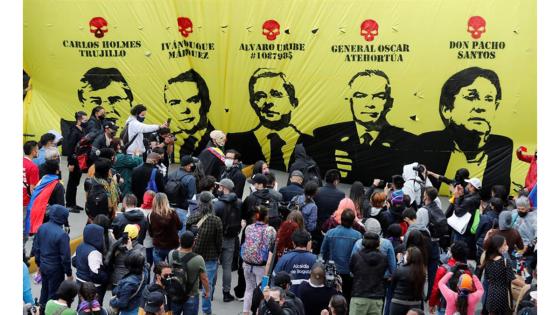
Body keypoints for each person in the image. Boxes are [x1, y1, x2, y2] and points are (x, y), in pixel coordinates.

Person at [413, 67, 513, 200]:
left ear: (496, 107)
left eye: (488, 99)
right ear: (447, 109)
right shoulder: (427, 143)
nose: (481, 107)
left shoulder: (503, 146)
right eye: (472, 96)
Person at [310, 69, 415, 184]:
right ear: (349, 100)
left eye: (379, 96)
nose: (369, 104)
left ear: (389, 103)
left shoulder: (408, 142)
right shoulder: (325, 135)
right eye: (360, 96)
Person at [226, 68, 313, 171]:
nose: (268, 103)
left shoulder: (311, 143)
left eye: (276, 94)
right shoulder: (235, 141)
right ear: (252, 103)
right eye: (260, 96)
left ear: (293, 102)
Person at [185, 191, 223, 314]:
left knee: (192, 285)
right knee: (208, 285)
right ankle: (206, 311)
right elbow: (219, 241)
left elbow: (187, 237)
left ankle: (192, 309)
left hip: (194, 256)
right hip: (210, 257)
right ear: (212, 204)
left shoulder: (192, 218)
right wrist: (218, 254)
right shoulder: (216, 220)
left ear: (199, 203)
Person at [164, 68, 215, 158]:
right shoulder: (167, 135)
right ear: (167, 107)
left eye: (193, 100)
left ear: (205, 103)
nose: (185, 109)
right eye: (175, 103)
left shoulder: (215, 137)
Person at [32, 204, 73, 311]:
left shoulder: (42, 227)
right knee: (53, 295)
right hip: (56, 270)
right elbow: (65, 258)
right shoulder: (62, 234)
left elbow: (36, 248)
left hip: (44, 266)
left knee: (44, 291)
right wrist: (68, 274)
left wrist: (39, 265)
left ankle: (40, 310)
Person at [320, 209, 362, 303]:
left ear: (341, 219)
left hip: (331, 270)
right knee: (346, 299)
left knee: (330, 298)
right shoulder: (358, 235)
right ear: (353, 221)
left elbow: (322, 252)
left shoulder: (330, 233)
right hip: (349, 272)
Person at [241, 206, 277, 315]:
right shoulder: (270, 230)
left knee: (249, 290)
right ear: (266, 216)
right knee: (260, 293)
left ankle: (245, 313)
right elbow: (272, 246)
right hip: (261, 265)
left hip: (247, 263)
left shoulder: (249, 228)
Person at [212, 178, 243, 302]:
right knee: (227, 267)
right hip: (231, 238)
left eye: (220, 187)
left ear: (224, 188)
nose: (218, 189)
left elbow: (212, 222)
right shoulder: (239, 203)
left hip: (217, 239)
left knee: (213, 265)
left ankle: (211, 292)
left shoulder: (217, 204)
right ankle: (226, 293)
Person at [167, 231, 211, 315]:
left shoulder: (171, 254)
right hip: (191, 295)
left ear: (180, 240)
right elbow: (204, 278)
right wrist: (207, 291)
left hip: (175, 293)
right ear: (193, 243)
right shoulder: (198, 259)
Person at [480, 235, 525, 315]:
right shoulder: (505, 262)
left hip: (491, 294)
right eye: (504, 244)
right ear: (498, 247)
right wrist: (525, 285)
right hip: (503, 294)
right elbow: (513, 279)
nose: (506, 246)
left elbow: (487, 278)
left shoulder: (487, 261)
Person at [348, 232, 388, 315]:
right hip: (377, 298)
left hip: (359, 295)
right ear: (378, 243)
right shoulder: (384, 258)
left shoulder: (356, 256)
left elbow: (352, 270)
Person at [429, 240, 470, 315]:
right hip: (463, 307)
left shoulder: (443, 269)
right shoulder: (468, 271)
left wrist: (432, 303)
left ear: (452, 253)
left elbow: (436, 289)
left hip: (445, 305)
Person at [73, 224, 110, 304]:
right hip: (92, 287)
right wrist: (106, 277)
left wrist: (83, 267)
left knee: (82, 305)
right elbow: (95, 274)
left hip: (79, 282)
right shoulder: (94, 252)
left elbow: (74, 261)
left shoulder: (80, 246)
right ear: (95, 237)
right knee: (94, 308)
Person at [27, 160, 65, 235]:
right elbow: (61, 206)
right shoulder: (58, 186)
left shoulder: (41, 181)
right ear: (57, 171)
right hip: (52, 219)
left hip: (40, 218)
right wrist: (66, 223)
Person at [272, 229, 316, 295]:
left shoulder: (285, 258)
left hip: (288, 298)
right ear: (307, 243)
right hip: (309, 298)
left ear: (293, 243)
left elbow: (275, 278)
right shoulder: (315, 259)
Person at [106, 224, 146, 290]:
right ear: (137, 235)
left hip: (116, 279)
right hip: (131, 281)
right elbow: (143, 265)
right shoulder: (141, 249)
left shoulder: (116, 245)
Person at [449, 177, 482, 259]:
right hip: (467, 228)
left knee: (457, 251)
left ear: (472, 187)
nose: (467, 186)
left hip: (462, 229)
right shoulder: (476, 197)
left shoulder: (470, 200)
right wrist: (461, 193)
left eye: (469, 184)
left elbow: (458, 212)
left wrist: (456, 197)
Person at [110, 250, 149, 315]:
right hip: (139, 304)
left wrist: (112, 302)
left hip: (129, 310)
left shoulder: (129, 284)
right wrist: (130, 250)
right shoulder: (144, 271)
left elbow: (122, 303)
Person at [389, 246, 426, 315]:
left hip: (398, 301)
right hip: (415, 304)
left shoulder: (400, 269)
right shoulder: (422, 272)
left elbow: (392, 285)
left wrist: (399, 262)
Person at [149, 193, 183, 266]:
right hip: (172, 245)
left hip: (158, 246)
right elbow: (180, 226)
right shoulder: (173, 213)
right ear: (166, 201)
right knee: (173, 270)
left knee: (159, 271)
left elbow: (151, 233)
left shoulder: (152, 215)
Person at [65, 111, 88, 212]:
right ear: (79, 120)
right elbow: (70, 148)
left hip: (80, 160)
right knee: (72, 183)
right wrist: (70, 163)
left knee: (75, 183)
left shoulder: (82, 130)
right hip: (74, 161)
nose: (86, 122)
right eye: (84, 120)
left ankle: (73, 203)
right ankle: (69, 204)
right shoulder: (74, 131)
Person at [314, 169, 345, 240]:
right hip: (332, 228)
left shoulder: (317, 191)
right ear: (336, 181)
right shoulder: (341, 195)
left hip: (317, 227)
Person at [140, 191, 156, 267]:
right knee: (149, 263)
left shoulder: (139, 212)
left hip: (140, 242)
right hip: (151, 243)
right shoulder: (156, 213)